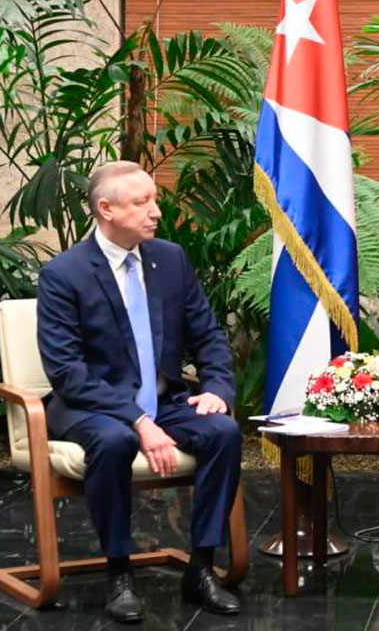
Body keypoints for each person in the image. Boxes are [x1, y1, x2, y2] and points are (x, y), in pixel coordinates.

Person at [38, 161, 242, 622]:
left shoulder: (169, 259)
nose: (155, 211)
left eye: (154, 199)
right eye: (141, 202)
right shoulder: (63, 274)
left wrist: (216, 387)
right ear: (106, 209)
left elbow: (208, 334)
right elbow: (67, 372)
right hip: (93, 404)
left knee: (223, 432)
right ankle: (119, 572)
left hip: (164, 398)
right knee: (115, 441)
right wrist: (137, 419)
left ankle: (203, 567)